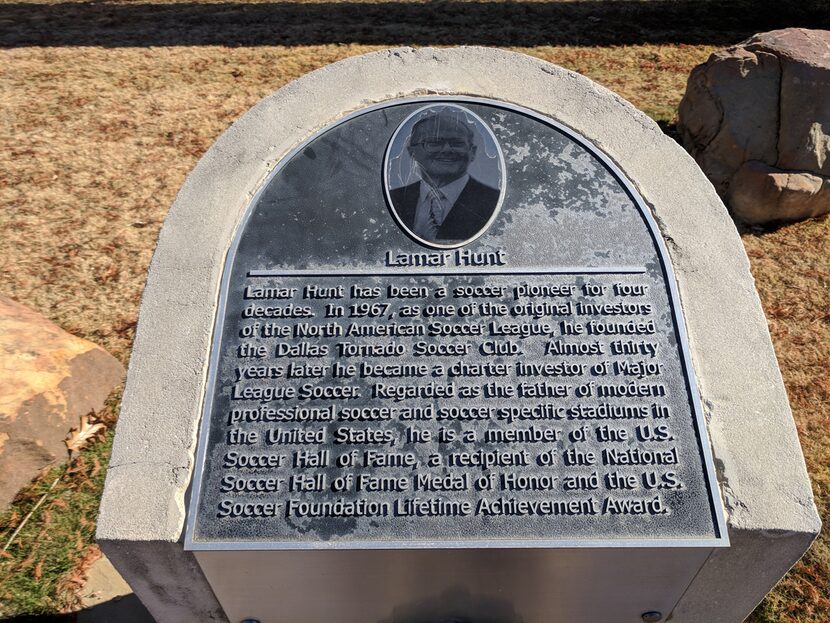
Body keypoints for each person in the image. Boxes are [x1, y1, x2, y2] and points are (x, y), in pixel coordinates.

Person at [389, 110, 501, 244]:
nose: (447, 150)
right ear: (412, 152)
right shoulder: (393, 200)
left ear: (472, 152)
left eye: (457, 143)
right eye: (434, 143)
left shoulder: (495, 202)